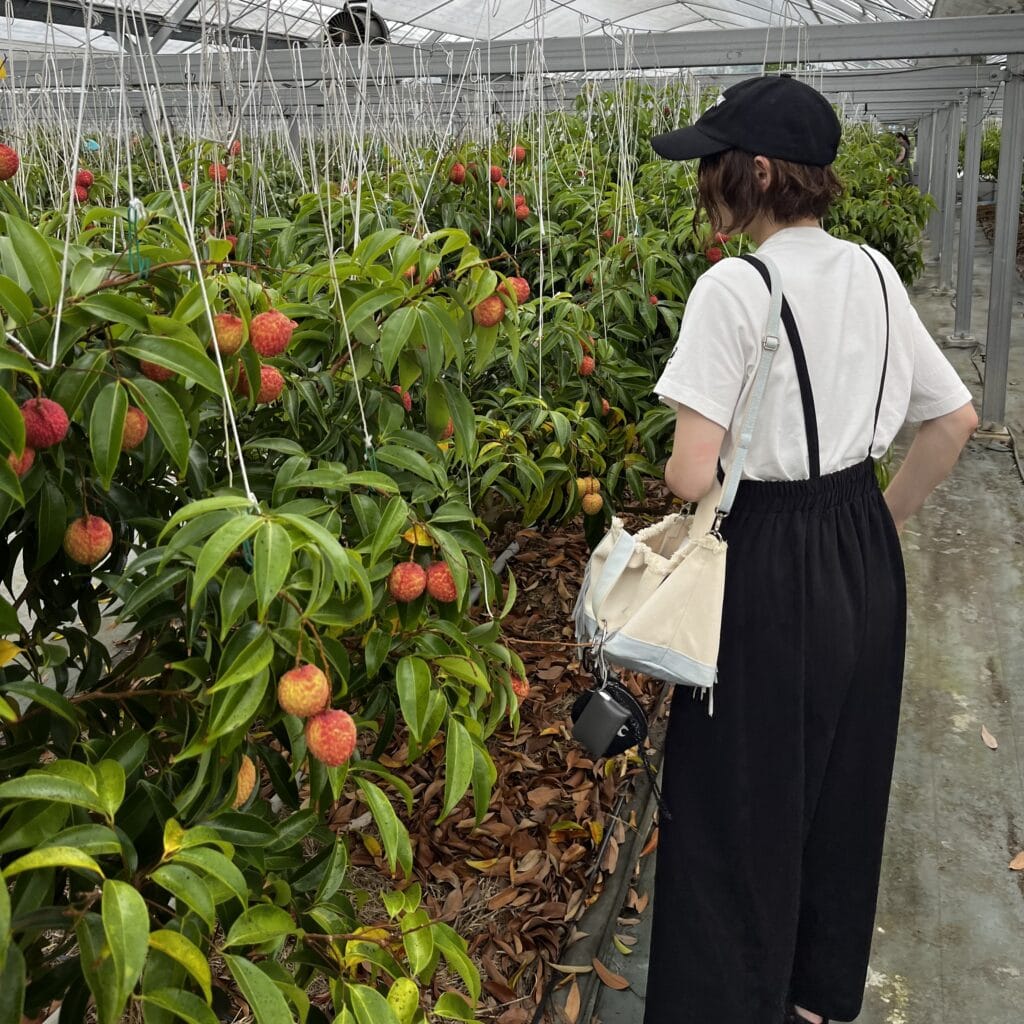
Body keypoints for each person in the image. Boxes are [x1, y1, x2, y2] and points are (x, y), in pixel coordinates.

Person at [643, 76, 977, 1024]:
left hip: (766, 556)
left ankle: (725, 1003)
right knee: (842, 781)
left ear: (755, 172)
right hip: (861, 549)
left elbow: (691, 473)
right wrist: (880, 524)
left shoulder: (734, 286)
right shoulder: (874, 270)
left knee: (737, 800)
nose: (704, 185)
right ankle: (815, 997)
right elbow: (954, 421)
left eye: (712, 166)